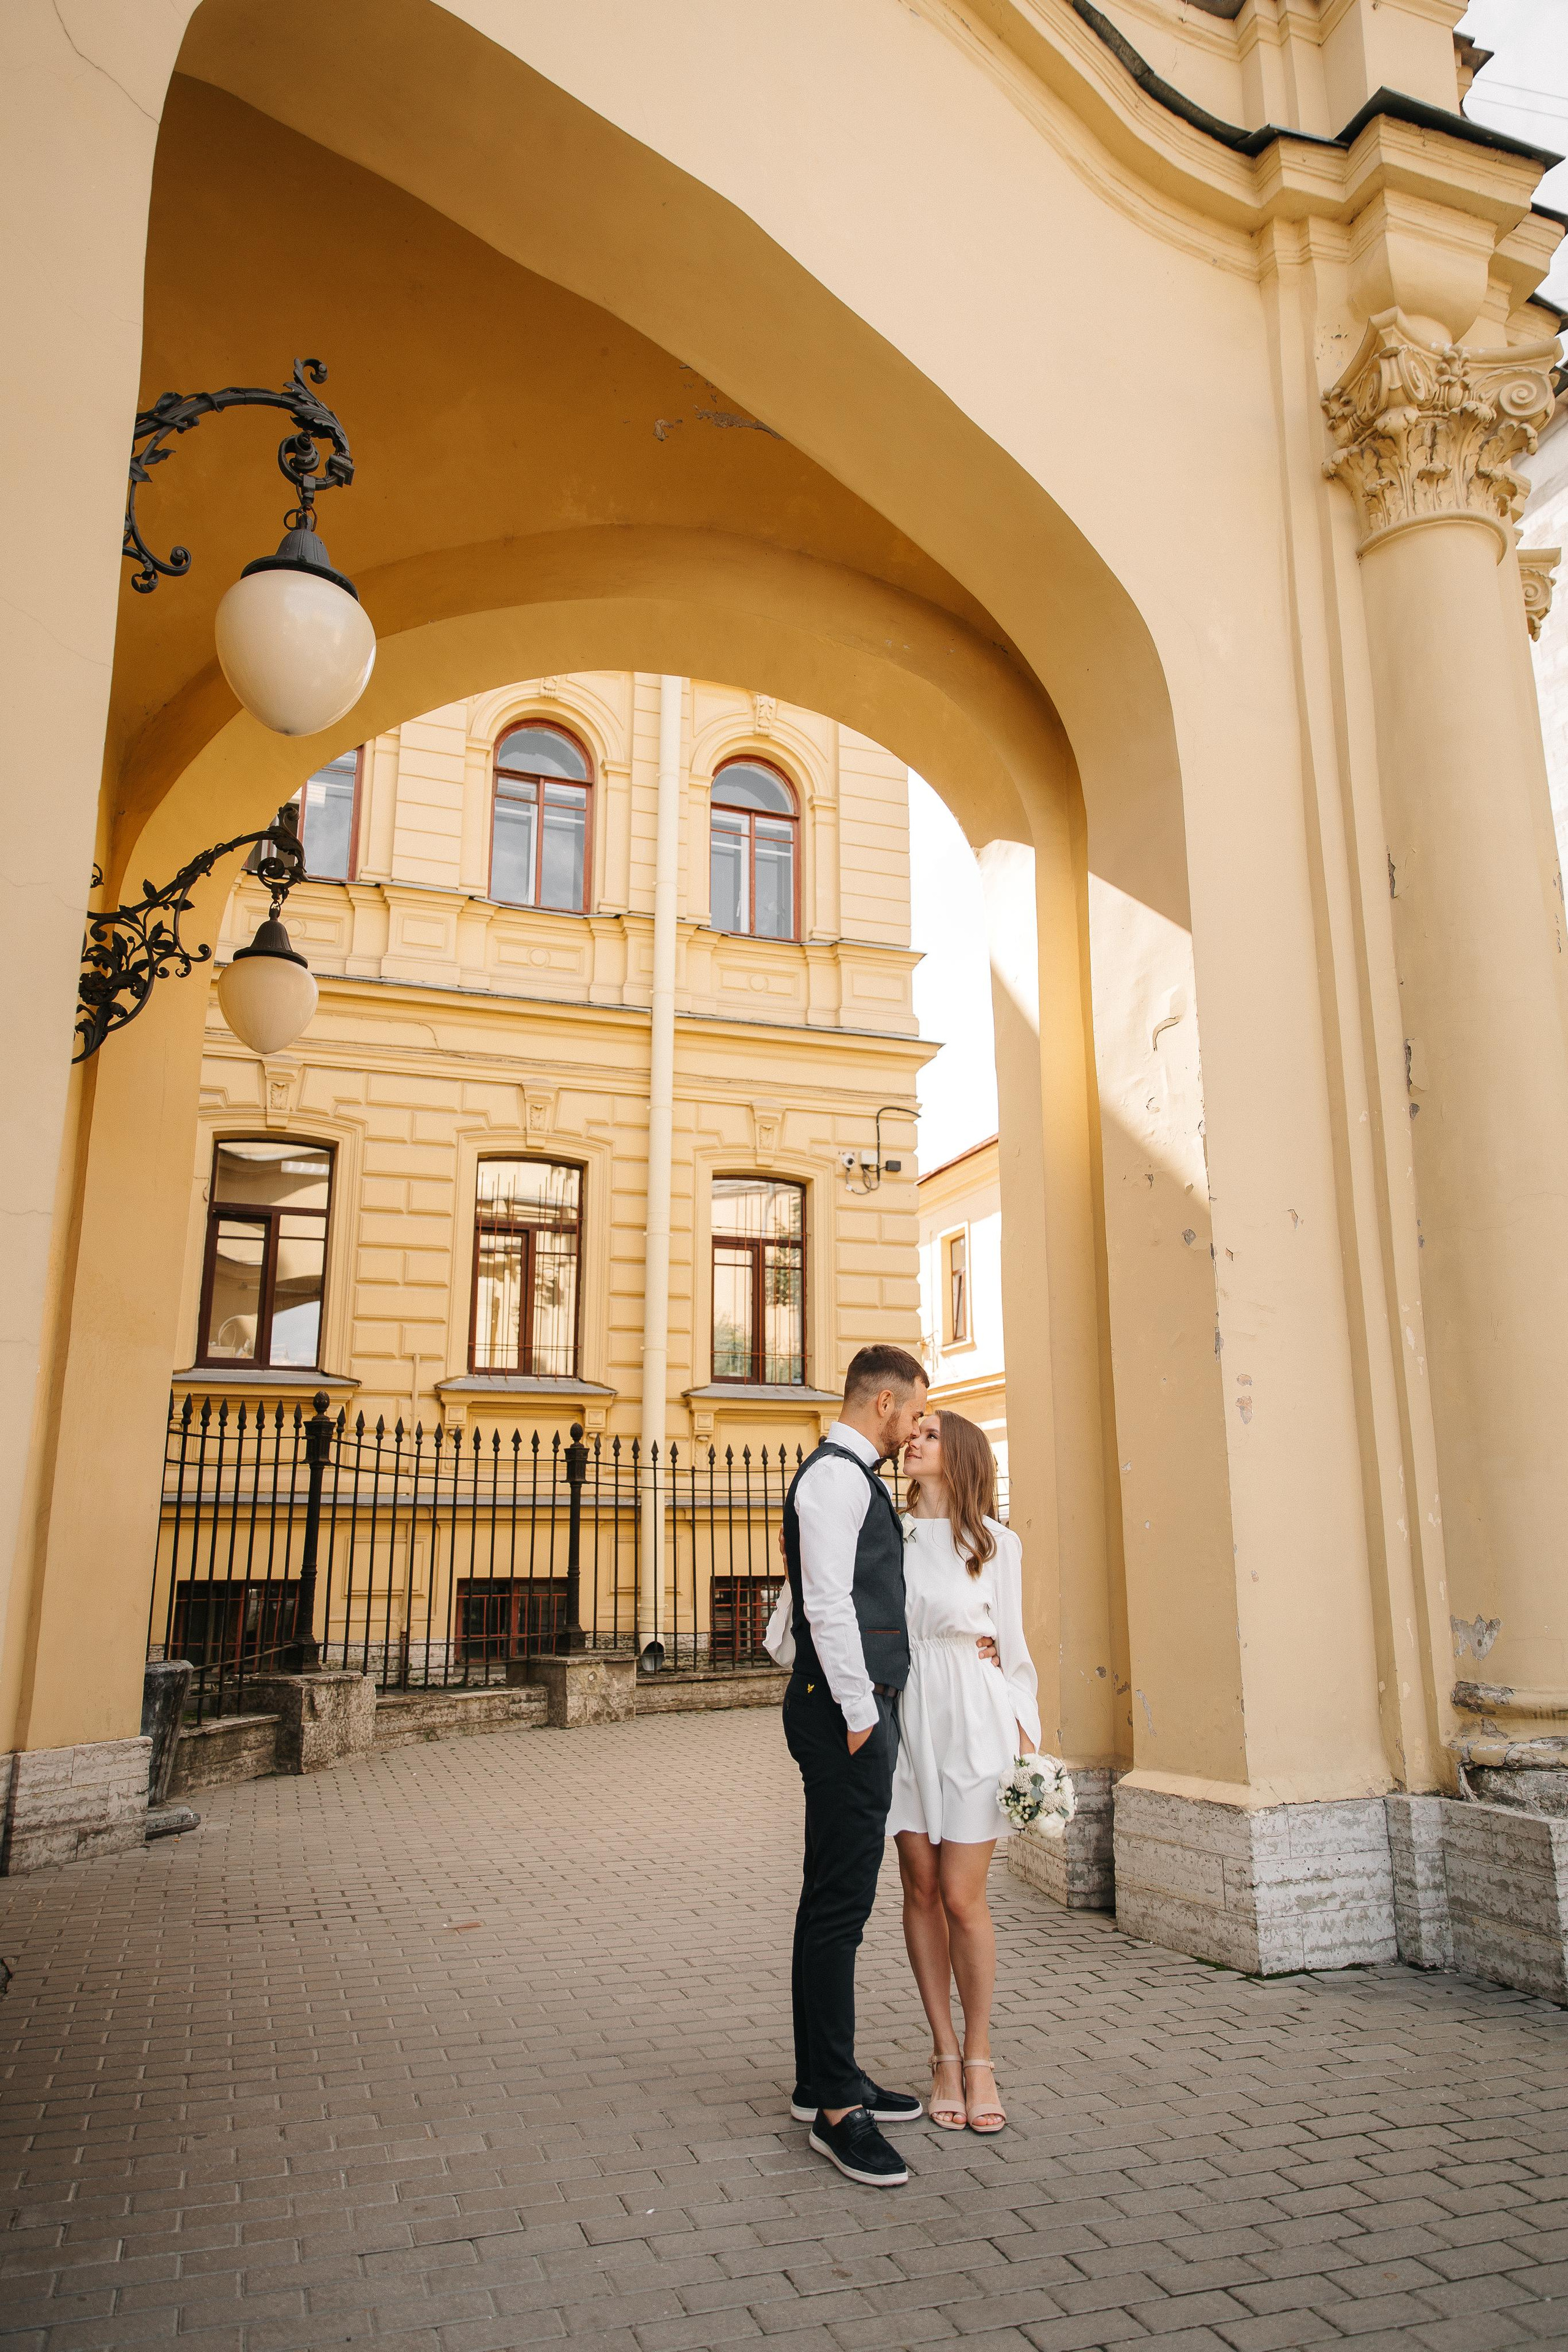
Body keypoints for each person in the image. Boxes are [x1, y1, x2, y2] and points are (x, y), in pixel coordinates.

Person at [780, 1343, 931, 2187]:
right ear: (882, 1403)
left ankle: (819, 2078)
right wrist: (860, 1717)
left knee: (825, 1901)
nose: (914, 1430)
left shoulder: (841, 1479)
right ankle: (839, 2110)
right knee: (841, 1909)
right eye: (913, 1413)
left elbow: (801, 1595)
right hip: (848, 1714)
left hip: (837, 1705)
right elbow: (828, 1605)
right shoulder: (836, 1479)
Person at [889, 1409, 1039, 2135]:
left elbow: (1013, 1654)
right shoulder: (889, 1535)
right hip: (907, 1715)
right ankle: (942, 2054)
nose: (911, 1442)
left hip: (974, 1721)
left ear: (961, 1455)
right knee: (918, 1886)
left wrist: (1022, 1745)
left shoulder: (996, 1545)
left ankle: (980, 2055)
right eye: (909, 1434)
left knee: (961, 1895)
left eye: (928, 1435)